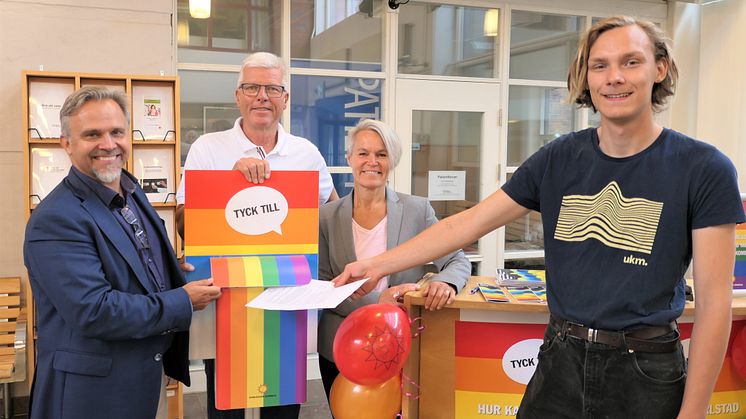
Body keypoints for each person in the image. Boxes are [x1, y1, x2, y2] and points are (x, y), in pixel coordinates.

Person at [333, 16, 745, 418]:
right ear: (586, 78)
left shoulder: (703, 168)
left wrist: (693, 412)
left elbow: (713, 305)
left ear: (660, 68)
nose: (613, 77)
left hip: (646, 370)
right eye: (600, 65)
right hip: (560, 359)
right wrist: (375, 264)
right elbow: (469, 222)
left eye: (630, 62)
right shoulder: (559, 158)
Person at [23, 86, 222, 419]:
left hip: (143, 375)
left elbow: (129, 258)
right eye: (92, 134)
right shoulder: (55, 219)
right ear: (66, 144)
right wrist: (182, 301)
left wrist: (168, 269)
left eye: (117, 132)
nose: (108, 144)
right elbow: (94, 310)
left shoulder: (129, 189)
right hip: (94, 394)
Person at [175, 51, 337, 419]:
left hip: (286, 299)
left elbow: (329, 217)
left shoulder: (306, 153)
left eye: (272, 88)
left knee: (282, 406)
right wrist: (227, 185)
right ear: (238, 95)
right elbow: (184, 223)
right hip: (226, 299)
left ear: (285, 99)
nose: (261, 95)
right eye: (252, 87)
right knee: (226, 407)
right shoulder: (207, 148)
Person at [317, 119, 471, 400]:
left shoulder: (417, 209)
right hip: (341, 343)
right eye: (363, 153)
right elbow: (325, 285)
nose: (371, 162)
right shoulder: (326, 217)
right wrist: (379, 304)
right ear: (349, 158)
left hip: (402, 344)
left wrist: (444, 282)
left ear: (392, 160)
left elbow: (458, 260)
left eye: (382, 154)